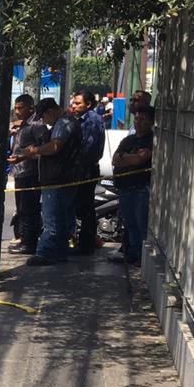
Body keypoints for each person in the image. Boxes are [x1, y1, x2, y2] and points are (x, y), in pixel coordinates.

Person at [15, 97, 82, 266]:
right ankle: (59, 252)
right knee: (61, 219)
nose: (44, 122)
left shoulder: (63, 124)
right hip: (61, 177)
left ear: (50, 112)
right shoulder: (66, 122)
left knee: (52, 219)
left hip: (58, 179)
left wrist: (34, 150)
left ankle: (46, 252)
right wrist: (25, 156)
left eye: (43, 117)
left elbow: (55, 147)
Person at [110, 105, 154, 266]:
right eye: (136, 119)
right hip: (124, 187)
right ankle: (134, 253)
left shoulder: (151, 140)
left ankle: (142, 257)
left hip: (140, 188)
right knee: (130, 223)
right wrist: (129, 157)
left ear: (151, 122)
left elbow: (140, 159)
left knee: (140, 223)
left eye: (143, 119)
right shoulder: (129, 140)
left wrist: (126, 157)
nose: (138, 122)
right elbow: (115, 159)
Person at [7, 94, 46, 255]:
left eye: (20, 108)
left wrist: (23, 156)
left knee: (29, 209)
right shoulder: (23, 125)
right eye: (15, 108)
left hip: (30, 174)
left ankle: (29, 244)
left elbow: (43, 149)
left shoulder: (36, 125)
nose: (17, 111)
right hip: (20, 173)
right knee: (22, 210)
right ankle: (24, 239)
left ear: (31, 108)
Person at [69, 91, 106, 254]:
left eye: (78, 103)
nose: (74, 106)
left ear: (88, 104)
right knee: (81, 206)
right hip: (80, 168)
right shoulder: (81, 119)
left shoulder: (92, 121)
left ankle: (86, 243)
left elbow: (88, 149)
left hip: (86, 170)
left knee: (86, 207)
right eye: (73, 103)